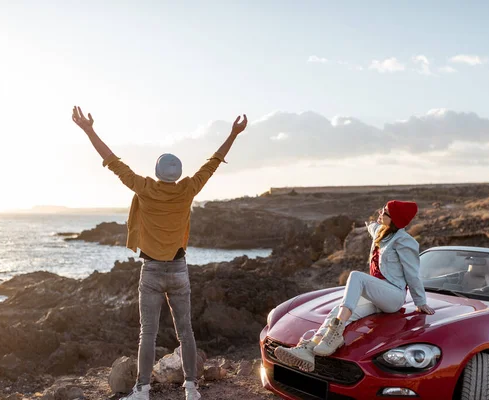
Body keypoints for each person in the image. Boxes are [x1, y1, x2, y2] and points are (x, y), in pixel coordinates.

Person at [71, 106, 248, 400]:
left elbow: (111, 160)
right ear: (178, 174)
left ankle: (141, 391)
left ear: (156, 172)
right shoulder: (188, 188)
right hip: (179, 270)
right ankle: (191, 389)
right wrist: (233, 134)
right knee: (186, 333)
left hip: (151, 271)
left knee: (148, 334)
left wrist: (89, 130)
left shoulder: (144, 187)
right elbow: (214, 163)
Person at [274, 200, 435, 372]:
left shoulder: (405, 241)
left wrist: (420, 302)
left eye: (385, 212)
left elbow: (413, 274)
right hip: (377, 294)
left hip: (393, 296)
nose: (380, 212)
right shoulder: (381, 232)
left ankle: (334, 335)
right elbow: (371, 226)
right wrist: (367, 222)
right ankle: (309, 349)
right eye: (382, 209)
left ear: (394, 219)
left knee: (356, 276)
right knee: (338, 310)